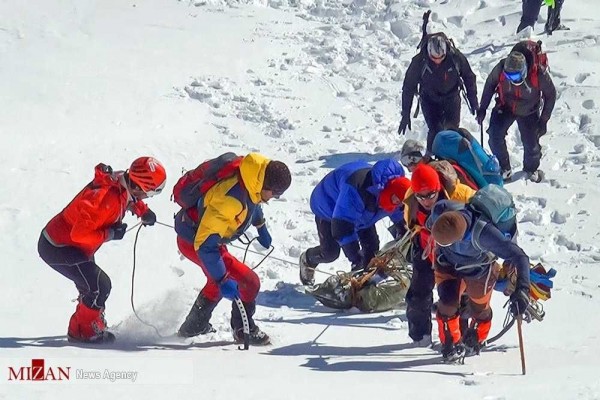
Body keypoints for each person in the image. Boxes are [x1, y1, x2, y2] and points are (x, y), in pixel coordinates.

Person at [38, 157, 166, 343]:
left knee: (90, 286)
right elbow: (79, 234)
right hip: (57, 246)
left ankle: (85, 324)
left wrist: (142, 211)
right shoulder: (103, 199)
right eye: (149, 193)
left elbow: (128, 197)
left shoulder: (123, 180)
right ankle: (83, 333)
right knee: (100, 286)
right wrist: (110, 234)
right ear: (138, 187)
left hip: (75, 246)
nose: (147, 197)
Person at [175, 153, 291, 345]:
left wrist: (260, 226)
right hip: (195, 241)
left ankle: (193, 327)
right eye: (275, 194)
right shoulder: (229, 200)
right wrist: (223, 279)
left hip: (202, 237)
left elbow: (252, 203)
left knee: (217, 281)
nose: (274, 198)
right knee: (249, 282)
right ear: (266, 186)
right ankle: (244, 329)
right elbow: (205, 246)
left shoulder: (252, 176)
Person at [427, 201, 531, 362]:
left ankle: (474, 341)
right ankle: (449, 345)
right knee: (447, 304)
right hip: (447, 265)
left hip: (480, 270)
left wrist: (523, 289)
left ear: (459, 239)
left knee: (479, 309)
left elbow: (519, 256)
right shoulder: (440, 210)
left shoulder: (485, 233)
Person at [298, 159, 411, 287]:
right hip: (329, 206)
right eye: (396, 201)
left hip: (363, 214)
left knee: (371, 252)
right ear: (387, 193)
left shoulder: (393, 197)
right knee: (330, 253)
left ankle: (363, 290)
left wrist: (403, 230)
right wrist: (356, 258)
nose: (398, 205)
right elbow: (341, 226)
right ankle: (308, 259)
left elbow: (401, 216)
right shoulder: (358, 189)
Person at [402, 163, 475, 346]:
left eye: (431, 195)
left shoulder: (462, 195)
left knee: (461, 294)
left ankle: (462, 337)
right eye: (421, 196)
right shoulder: (410, 201)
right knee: (418, 294)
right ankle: (420, 337)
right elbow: (411, 225)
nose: (426, 200)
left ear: (439, 188)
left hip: (457, 251)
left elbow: (482, 216)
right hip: (427, 249)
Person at [477, 46, 556, 182]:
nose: (512, 79)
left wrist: (544, 120)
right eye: (509, 76)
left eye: (515, 76)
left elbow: (551, 94)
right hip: (505, 105)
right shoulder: (501, 68)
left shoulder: (538, 73)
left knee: (531, 144)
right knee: (495, 135)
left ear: (524, 71)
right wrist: (482, 108)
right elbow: (490, 84)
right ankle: (504, 168)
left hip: (529, 110)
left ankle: (531, 169)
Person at [399, 34, 479, 152]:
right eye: (434, 58)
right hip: (429, 99)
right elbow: (408, 87)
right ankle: (431, 156)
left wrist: (474, 102)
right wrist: (405, 113)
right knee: (435, 130)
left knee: (452, 131)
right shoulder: (419, 61)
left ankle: (452, 158)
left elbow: (469, 77)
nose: (437, 61)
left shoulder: (455, 58)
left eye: (441, 58)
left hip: (452, 98)